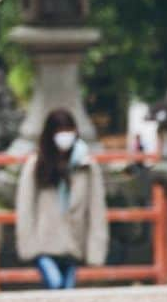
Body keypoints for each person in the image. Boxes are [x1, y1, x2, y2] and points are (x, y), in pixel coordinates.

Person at [16, 108, 108, 289]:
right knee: (56, 284)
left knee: (67, 294)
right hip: (43, 245)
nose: (64, 135)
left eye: (68, 130)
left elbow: (96, 209)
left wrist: (95, 250)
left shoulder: (86, 166)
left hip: (73, 245)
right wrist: (28, 245)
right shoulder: (36, 165)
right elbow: (26, 208)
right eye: (59, 131)